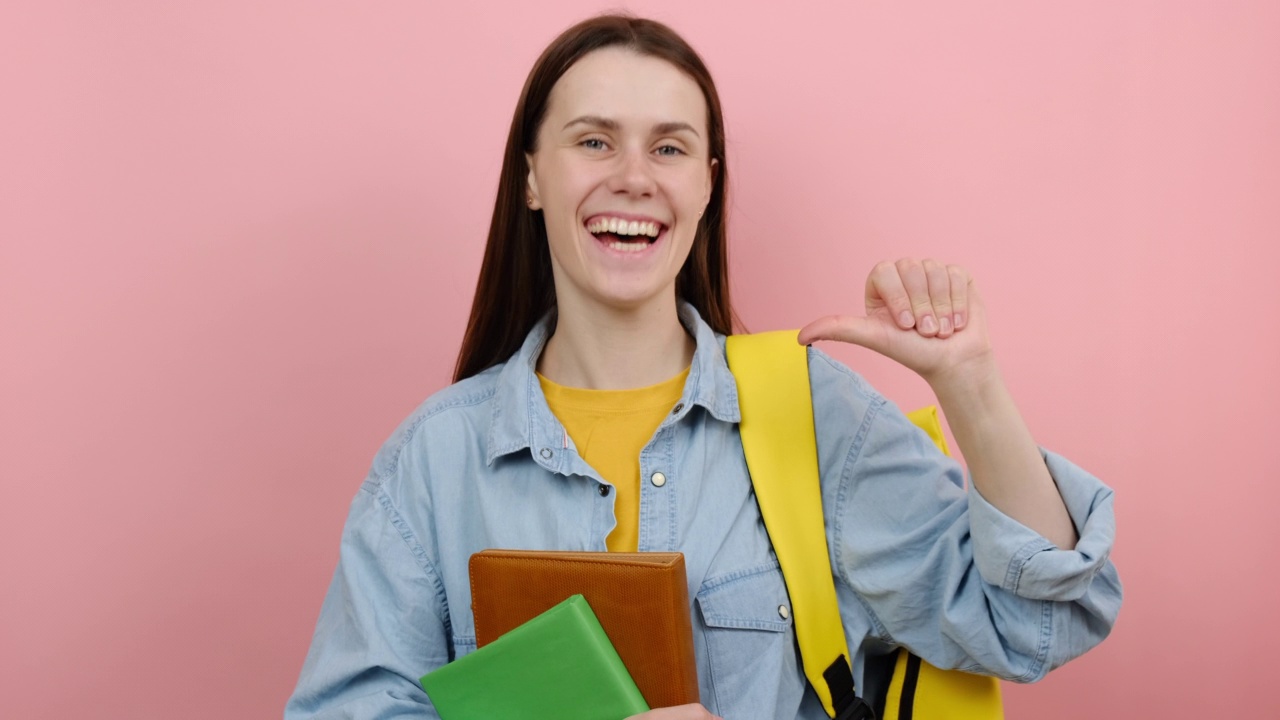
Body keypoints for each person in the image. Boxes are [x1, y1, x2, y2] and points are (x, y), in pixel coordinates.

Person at [285, 14, 1121, 720]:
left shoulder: (813, 418)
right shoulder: (432, 462)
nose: (634, 178)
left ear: (708, 184)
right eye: (593, 140)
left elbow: (1035, 622)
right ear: (533, 176)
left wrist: (969, 385)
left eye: (671, 149)